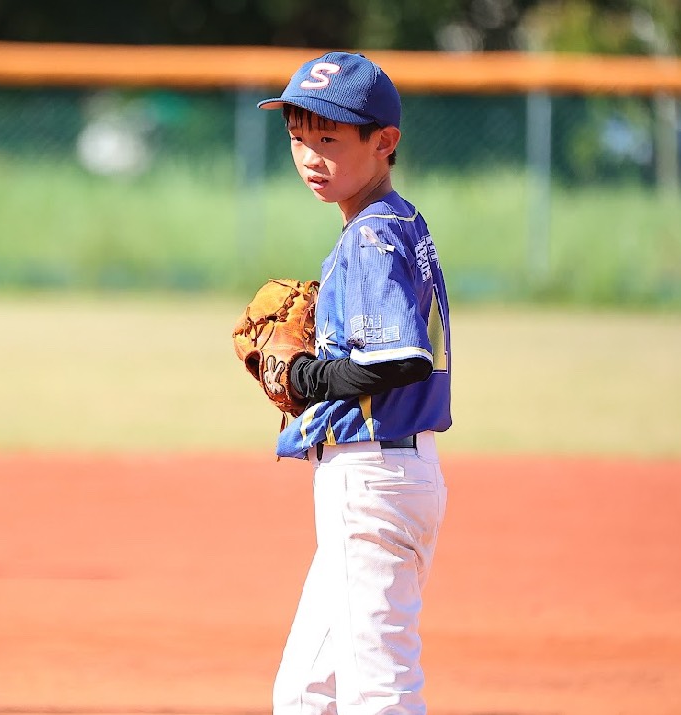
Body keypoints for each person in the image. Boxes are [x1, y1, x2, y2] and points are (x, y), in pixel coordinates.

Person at [256, 52, 453, 714]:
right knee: (307, 692)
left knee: (378, 685)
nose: (310, 156)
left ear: (384, 142)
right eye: (298, 138)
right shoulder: (394, 220)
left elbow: (404, 359)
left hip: (373, 476)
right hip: (382, 472)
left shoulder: (369, 236)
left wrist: (308, 375)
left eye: (330, 139)